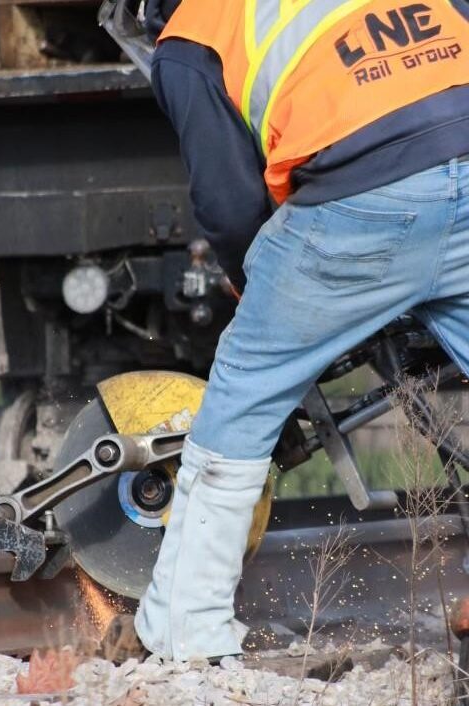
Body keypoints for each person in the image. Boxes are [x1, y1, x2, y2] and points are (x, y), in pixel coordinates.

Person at [129, 0, 469, 662]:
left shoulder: (191, 36)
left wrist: (254, 283)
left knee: (246, 386)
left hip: (367, 194)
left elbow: (229, 204)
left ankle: (186, 634)